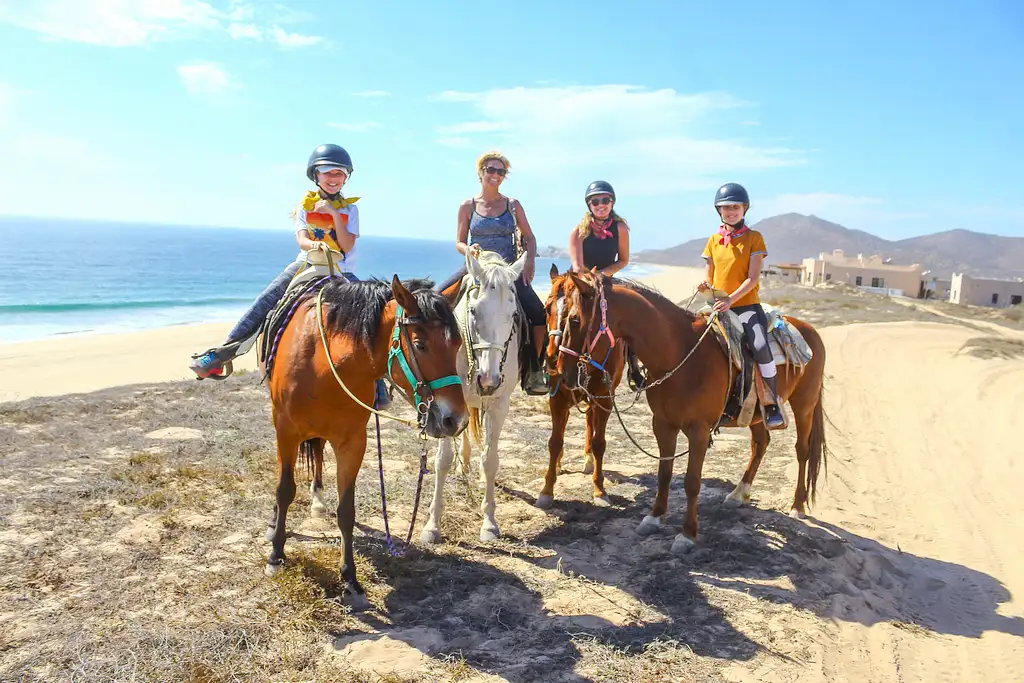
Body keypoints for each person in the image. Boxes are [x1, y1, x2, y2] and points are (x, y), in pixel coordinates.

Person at [189, 143, 389, 407]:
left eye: (339, 174)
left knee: (373, 312)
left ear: (346, 177)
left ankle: (378, 382)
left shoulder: (351, 210)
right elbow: (302, 240)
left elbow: (348, 245)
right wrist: (313, 245)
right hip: (307, 264)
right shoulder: (304, 205)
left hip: (342, 269)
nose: (333, 178)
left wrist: (334, 216)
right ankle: (220, 355)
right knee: (267, 299)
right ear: (315, 175)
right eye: (327, 172)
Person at [435, 151, 549, 395]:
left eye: (501, 171)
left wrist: (528, 264)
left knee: (538, 314)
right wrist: (469, 249)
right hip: (476, 268)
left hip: (507, 270)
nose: (495, 175)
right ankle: (435, 369)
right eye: (491, 170)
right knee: (434, 301)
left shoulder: (512, 205)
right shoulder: (467, 206)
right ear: (481, 173)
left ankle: (534, 369)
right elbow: (459, 242)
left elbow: (529, 237)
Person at [699, 182, 784, 429]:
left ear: (744, 209)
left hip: (746, 307)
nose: (731, 211)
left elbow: (753, 279)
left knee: (759, 346)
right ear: (719, 211)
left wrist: (729, 300)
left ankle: (771, 403)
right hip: (718, 307)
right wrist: (704, 287)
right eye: (726, 208)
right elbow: (710, 276)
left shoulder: (754, 238)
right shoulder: (713, 240)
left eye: (735, 207)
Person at [568, 180, 645, 390]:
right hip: (583, 280)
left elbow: (623, 260)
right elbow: (577, 265)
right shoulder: (578, 231)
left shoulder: (620, 228)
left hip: (607, 279)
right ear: (589, 205)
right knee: (557, 310)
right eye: (595, 201)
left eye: (605, 200)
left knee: (633, 314)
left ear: (612, 203)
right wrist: (589, 278)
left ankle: (634, 367)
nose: (601, 205)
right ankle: (549, 364)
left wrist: (603, 275)